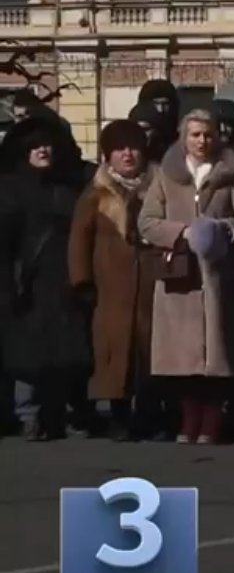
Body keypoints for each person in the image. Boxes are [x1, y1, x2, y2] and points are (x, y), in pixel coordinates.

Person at [138, 109, 234, 446]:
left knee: (217, 355)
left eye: (207, 134)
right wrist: (182, 232)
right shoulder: (165, 175)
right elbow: (147, 222)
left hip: (217, 277)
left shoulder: (229, 175)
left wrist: (222, 229)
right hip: (179, 277)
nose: (202, 141)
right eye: (195, 135)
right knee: (183, 357)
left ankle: (212, 422)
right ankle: (188, 420)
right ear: (183, 137)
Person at [0, 116, 93, 440]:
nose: (43, 150)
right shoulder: (9, 187)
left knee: (64, 351)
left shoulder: (68, 186)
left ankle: (57, 413)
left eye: (47, 145)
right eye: (36, 146)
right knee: (25, 353)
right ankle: (28, 415)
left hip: (64, 278)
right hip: (27, 281)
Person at [67, 120, 159, 442]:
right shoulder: (95, 193)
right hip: (110, 290)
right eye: (119, 149)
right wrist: (82, 282)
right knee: (114, 353)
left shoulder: (160, 186)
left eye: (133, 147)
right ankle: (119, 416)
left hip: (153, 285)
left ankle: (149, 414)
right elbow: (79, 239)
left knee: (150, 352)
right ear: (108, 155)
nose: (127, 154)